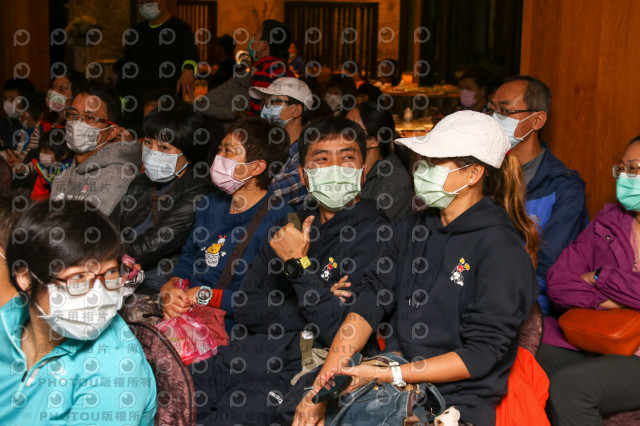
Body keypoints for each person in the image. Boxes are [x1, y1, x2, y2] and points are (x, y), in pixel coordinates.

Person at [292, 111, 539, 426]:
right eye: (423, 161)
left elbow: (480, 354)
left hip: (452, 403)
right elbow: (368, 306)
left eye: (435, 162)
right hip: (389, 383)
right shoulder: (408, 229)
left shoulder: (501, 251)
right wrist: (320, 389)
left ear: (473, 173)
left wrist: (388, 374)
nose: (423, 169)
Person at [190, 116, 388, 425]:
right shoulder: (289, 223)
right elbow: (247, 308)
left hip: (291, 374)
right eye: (322, 159)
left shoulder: (377, 234)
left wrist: (297, 266)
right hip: (237, 356)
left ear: (363, 171)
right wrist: (317, 297)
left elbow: (340, 330)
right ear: (304, 175)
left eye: (347, 158)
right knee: (164, 400)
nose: (335, 168)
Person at [1, 200, 156, 424]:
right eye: (78, 278)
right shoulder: (8, 319)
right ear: (26, 278)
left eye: (110, 273)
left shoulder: (116, 368)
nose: (98, 295)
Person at [536, 135, 640, 425]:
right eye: (622, 168)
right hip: (599, 339)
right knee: (519, 354)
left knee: (571, 387)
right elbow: (558, 282)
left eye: (634, 168)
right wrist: (615, 301)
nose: (625, 177)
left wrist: (601, 277)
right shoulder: (609, 220)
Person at [159, 117, 292, 333]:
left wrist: (204, 295)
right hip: (186, 318)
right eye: (220, 149)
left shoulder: (279, 220)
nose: (219, 157)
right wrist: (172, 286)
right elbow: (189, 257)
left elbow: (264, 301)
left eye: (229, 151)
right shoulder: (210, 203)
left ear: (257, 167)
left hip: (231, 332)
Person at [488, 75, 589, 315]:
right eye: (491, 110)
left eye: (504, 111)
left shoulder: (563, 187)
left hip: (529, 310)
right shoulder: (483, 174)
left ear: (537, 120)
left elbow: (548, 271)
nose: (494, 119)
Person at [111, 105, 217, 292]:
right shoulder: (141, 182)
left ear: (189, 155)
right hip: (119, 271)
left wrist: (107, 253)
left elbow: (153, 245)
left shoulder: (199, 191)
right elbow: (110, 224)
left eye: (164, 148)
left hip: (156, 285)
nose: (153, 152)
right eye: (149, 143)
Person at [50, 82, 141, 216]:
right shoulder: (62, 176)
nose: (78, 123)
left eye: (89, 118)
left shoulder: (118, 177)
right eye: (73, 115)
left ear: (112, 132)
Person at [117, 0, 199, 126]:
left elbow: (190, 54)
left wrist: (188, 69)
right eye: (140, 3)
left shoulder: (180, 28)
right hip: (137, 105)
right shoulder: (136, 32)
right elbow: (127, 69)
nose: (145, 6)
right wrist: (121, 99)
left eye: (149, 1)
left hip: (167, 104)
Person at [249, 77, 314, 205]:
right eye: (265, 103)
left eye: (274, 102)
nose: (266, 109)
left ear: (296, 110)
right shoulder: (266, 144)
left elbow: (265, 193)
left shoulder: (308, 153)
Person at [347, 101, 414, 220]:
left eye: (350, 131)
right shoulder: (349, 168)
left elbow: (367, 225)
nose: (341, 135)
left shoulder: (396, 180)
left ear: (374, 140)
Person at [248, 19, 294, 116]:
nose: (252, 38)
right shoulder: (280, 68)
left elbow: (258, 115)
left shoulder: (264, 73)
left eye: (255, 35)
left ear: (263, 46)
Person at [30, 128, 74, 200]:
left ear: (63, 155)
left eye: (47, 152)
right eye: (41, 150)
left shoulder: (70, 172)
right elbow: (38, 194)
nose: (42, 154)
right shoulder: (44, 170)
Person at [1, 78, 35, 151]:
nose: (7, 103)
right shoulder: (4, 123)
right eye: (5, 99)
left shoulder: (33, 125)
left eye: (12, 99)